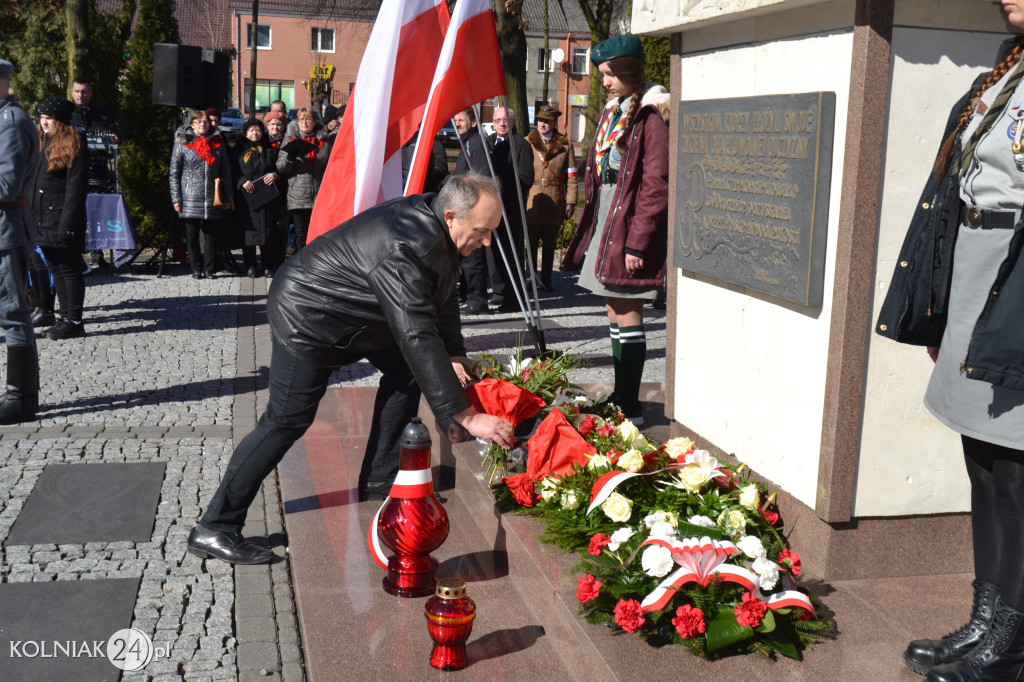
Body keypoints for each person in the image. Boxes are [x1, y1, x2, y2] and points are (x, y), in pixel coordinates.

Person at [187, 173, 515, 564]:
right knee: (285, 420)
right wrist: (465, 415)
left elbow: (440, 292)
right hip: (308, 315)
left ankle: (380, 478)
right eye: (482, 231)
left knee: (408, 372)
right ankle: (215, 527)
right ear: (451, 216)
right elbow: (416, 332)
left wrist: (456, 353)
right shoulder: (408, 245)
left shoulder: (437, 226)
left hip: (359, 318)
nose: (487, 241)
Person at [878, 5, 1024, 679]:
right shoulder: (1006, 66)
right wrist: (938, 309)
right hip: (977, 269)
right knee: (987, 466)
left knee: (1018, 470)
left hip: (1016, 280)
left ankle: (1011, 644)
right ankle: (986, 622)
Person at [563, 35, 669, 425]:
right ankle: (621, 395)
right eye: (603, 74)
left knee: (628, 312)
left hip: (627, 227)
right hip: (610, 220)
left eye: (609, 74)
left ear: (628, 71)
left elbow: (655, 186)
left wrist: (638, 243)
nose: (604, 82)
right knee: (613, 308)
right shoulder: (615, 112)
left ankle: (630, 403)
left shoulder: (650, 116)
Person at [0, 59, 42, 424]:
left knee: (13, 311)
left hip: (6, 229)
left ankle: (21, 398)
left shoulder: (10, 123)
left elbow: (7, 186)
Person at [30, 97, 88, 340]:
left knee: (68, 268)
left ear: (60, 121)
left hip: (62, 216)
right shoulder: (43, 141)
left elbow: (76, 189)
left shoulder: (75, 144)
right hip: (42, 215)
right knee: (55, 267)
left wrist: (67, 224)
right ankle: (63, 317)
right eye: (42, 117)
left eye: (49, 118)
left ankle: (74, 320)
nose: (44, 121)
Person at [169, 110, 232, 279]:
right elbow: (174, 173)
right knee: (192, 235)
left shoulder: (218, 143)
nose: (202, 125)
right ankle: (196, 268)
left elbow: (226, 171)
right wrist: (176, 198)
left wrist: (227, 196)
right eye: (198, 122)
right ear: (192, 125)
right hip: (190, 194)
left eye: (205, 122)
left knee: (211, 235)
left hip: (212, 194)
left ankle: (209, 268)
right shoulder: (182, 143)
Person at [485, 107, 533, 313]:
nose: (502, 124)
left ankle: (514, 297)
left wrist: (502, 189)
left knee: (512, 252)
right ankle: (499, 292)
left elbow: (525, 179)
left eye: (506, 120)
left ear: (513, 122)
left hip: (511, 208)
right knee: (493, 250)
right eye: (498, 120)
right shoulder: (488, 144)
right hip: (490, 208)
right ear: (493, 123)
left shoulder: (521, 145)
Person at [525, 105, 577, 292]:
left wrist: (570, 201)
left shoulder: (565, 145)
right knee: (529, 243)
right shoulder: (527, 142)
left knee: (549, 243)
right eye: (540, 120)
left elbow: (571, 176)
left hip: (555, 200)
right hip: (532, 197)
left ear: (554, 123)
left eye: (547, 121)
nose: (542, 123)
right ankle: (531, 278)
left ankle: (546, 279)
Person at [70, 78, 118, 268]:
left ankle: (98, 254)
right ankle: (77, 256)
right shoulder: (67, 114)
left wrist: (115, 136)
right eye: (77, 91)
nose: (80, 95)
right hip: (74, 170)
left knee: (97, 212)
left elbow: (116, 134)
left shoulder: (103, 113)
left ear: (90, 93)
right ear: (72, 92)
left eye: (84, 92)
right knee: (76, 212)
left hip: (99, 169)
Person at [453, 108, 491, 314]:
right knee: (467, 256)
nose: (457, 123)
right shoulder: (468, 141)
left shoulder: (474, 143)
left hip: (472, 207)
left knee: (474, 257)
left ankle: (477, 300)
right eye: (456, 120)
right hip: (465, 204)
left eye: (462, 120)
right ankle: (470, 295)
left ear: (474, 122)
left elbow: (478, 177)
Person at [276, 107, 328, 252]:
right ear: (297, 122)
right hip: (298, 194)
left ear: (314, 122)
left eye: (308, 119)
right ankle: (301, 267)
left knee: (318, 234)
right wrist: (290, 158)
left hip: (319, 194)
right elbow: (281, 168)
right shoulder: (290, 139)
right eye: (301, 119)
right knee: (300, 234)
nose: (305, 122)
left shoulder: (324, 140)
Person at [236, 119, 280, 278]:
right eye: (251, 130)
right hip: (247, 199)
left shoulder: (270, 149)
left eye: (258, 130)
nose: (255, 133)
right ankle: (250, 266)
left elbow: (279, 168)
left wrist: (275, 175)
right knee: (249, 233)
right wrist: (242, 182)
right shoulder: (239, 150)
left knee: (267, 232)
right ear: (246, 133)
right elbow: (233, 172)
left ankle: (268, 266)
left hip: (267, 197)